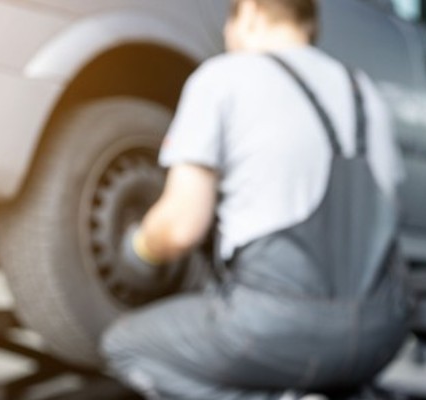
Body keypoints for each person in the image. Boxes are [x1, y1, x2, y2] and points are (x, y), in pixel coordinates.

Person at [100, 0, 409, 398]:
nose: (227, 35)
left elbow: (179, 227)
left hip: (277, 328)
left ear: (251, 11)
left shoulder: (224, 77)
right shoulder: (365, 92)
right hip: (380, 333)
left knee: (127, 346)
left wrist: (137, 250)